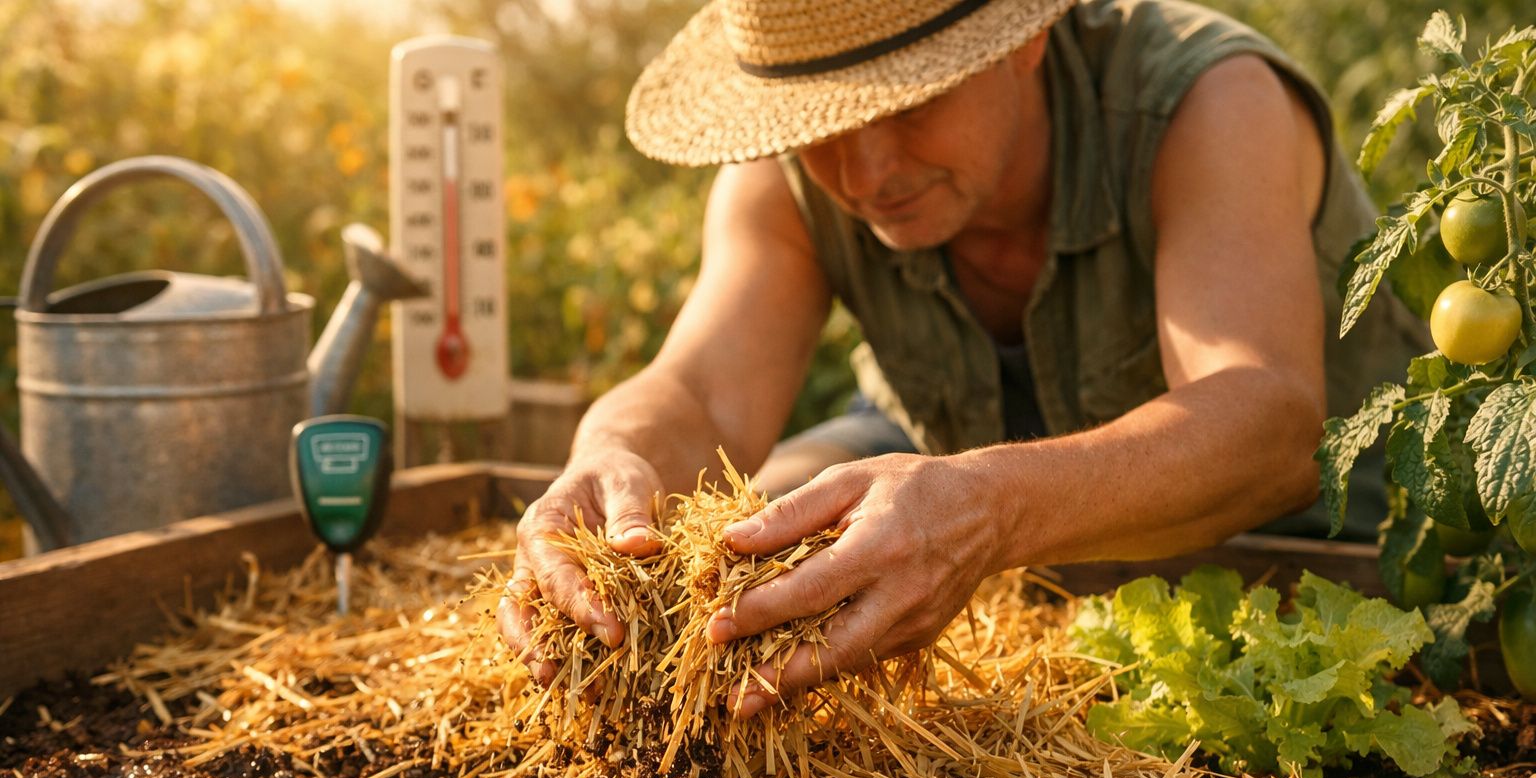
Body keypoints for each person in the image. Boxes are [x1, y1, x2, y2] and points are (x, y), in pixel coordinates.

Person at [499, 0, 1426, 718]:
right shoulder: (786, 178)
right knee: (753, 526)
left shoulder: (1204, 99)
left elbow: (1267, 423)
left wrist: (987, 506)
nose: (865, 174)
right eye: (823, 122)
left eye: (909, 102)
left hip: (1324, 544)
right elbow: (700, 391)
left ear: (1020, 37)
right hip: (942, 441)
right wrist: (609, 458)